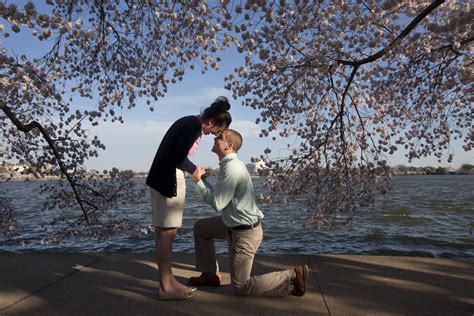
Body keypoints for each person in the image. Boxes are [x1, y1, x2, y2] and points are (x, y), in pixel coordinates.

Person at [189, 129, 309, 297]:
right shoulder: (228, 165)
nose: (215, 138)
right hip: (232, 224)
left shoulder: (232, 168)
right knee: (201, 228)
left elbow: (218, 203)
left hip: (244, 233)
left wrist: (199, 182)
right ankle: (209, 274)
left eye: (220, 137)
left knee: (241, 287)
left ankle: (293, 275)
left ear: (229, 146)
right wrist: (204, 178)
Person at [146, 96, 232, 301]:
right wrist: (196, 170)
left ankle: (167, 281)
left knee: (162, 232)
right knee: (168, 233)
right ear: (210, 122)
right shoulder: (193, 126)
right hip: (168, 180)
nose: (216, 135)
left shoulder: (188, 122)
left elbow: (175, 154)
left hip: (160, 178)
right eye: (218, 130)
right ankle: (166, 286)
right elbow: (177, 157)